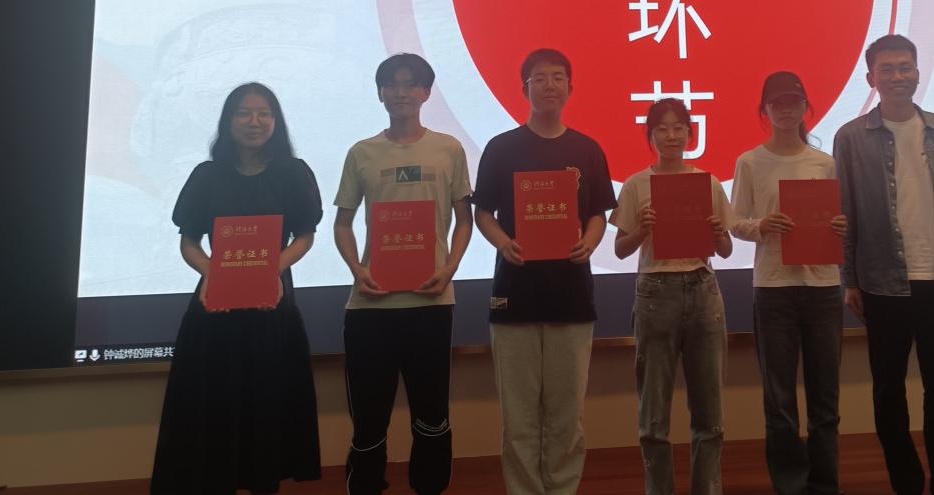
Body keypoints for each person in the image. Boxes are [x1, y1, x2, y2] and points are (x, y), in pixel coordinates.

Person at [151, 82, 323, 495]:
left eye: (264, 113)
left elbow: (305, 235)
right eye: (244, 113)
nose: (254, 121)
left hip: (271, 307)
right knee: (214, 407)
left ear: (276, 121)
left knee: (267, 404)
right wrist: (213, 272)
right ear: (228, 121)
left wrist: (269, 270)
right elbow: (189, 240)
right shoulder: (207, 176)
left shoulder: (294, 173)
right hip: (215, 308)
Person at [833, 35, 934, 495]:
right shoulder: (850, 138)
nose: (897, 76)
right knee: (888, 394)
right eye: (887, 69)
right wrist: (850, 279)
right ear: (871, 78)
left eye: (905, 67)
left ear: (917, 72)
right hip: (881, 285)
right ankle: (906, 483)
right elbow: (845, 212)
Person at [472, 48, 616, 495]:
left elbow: (598, 213)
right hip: (514, 294)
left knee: (566, 415)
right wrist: (503, 242)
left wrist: (590, 241)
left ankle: (562, 489)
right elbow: (482, 212)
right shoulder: (501, 147)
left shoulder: (587, 149)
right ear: (525, 88)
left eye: (557, 77)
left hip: (571, 296)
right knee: (519, 417)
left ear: (570, 87)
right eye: (539, 78)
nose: (549, 85)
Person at [332, 53, 474, 495]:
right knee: (368, 420)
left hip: (431, 304)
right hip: (370, 307)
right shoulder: (362, 152)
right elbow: (342, 223)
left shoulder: (449, 149)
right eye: (392, 84)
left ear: (426, 93)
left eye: (411, 84)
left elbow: (464, 220)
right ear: (380, 93)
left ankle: (429, 487)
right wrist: (357, 269)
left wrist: (450, 268)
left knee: (431, 416)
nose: (402, 92)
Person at [730, 71, 848, 495]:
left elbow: (837, 220)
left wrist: (840, 226)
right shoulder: (749, 162)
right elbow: (734, 222)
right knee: (779, 401)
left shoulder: (825, 163)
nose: (785, 109)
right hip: (774, 289)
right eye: (777, 103)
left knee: (824, 399)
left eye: (793, 102)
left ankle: (824, 485)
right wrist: (761, 225)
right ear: (765, 110)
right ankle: (791, 486)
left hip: (823, 288)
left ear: (805, 107)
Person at [610, 98, 736, 495]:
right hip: (655, 292)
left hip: (702, 288)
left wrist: (717, 233)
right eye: (661, 129)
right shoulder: (636, 184)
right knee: (654, 415)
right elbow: (620, 249)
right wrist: (642, 230)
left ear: (690, 134)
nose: (671, 136)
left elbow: (726, 249)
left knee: (710, 413)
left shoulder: (708, 183)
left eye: (678, 127)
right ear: (650, 136)